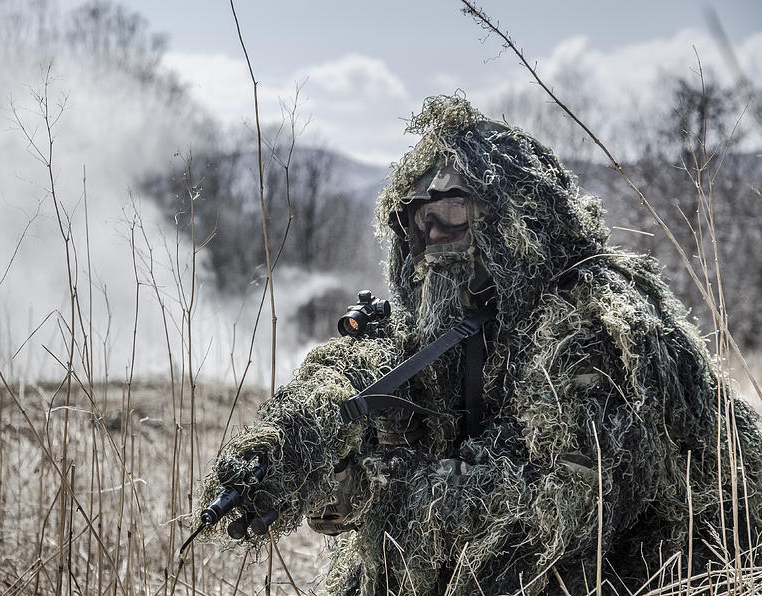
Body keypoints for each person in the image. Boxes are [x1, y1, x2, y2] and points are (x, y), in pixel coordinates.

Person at [197, 94, 762, 595]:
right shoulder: (450, 322)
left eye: (456, 214)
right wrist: (307, 449)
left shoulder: (588, 327)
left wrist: (389, 491)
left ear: (517, 223)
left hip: (659, 565)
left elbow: (556, 512)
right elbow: (360, 377)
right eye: (421, 220)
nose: (436, 236)